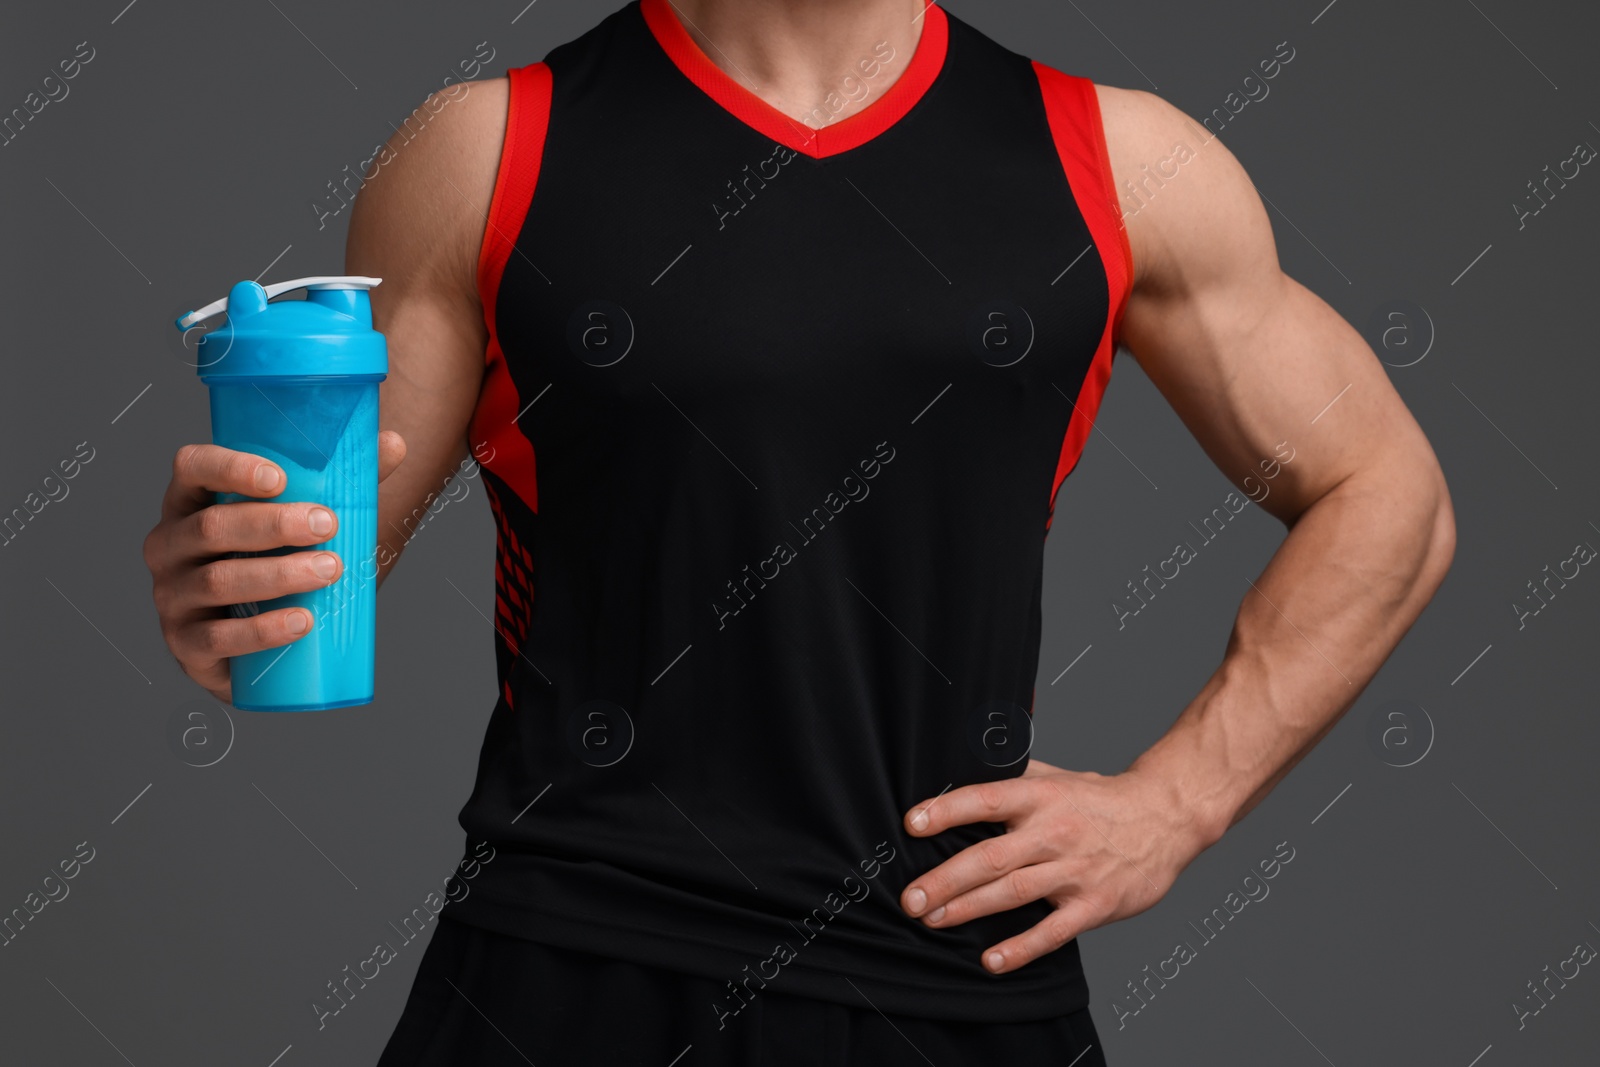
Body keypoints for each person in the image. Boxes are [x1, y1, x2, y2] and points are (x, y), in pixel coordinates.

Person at [141, 0, 1455, 1062]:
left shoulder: (1125, 161)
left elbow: (1391, 494)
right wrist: (228, 588)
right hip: (566, 970)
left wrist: (1177, 805)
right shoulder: (486, 149)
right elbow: (312, 571)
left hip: (949, 976)